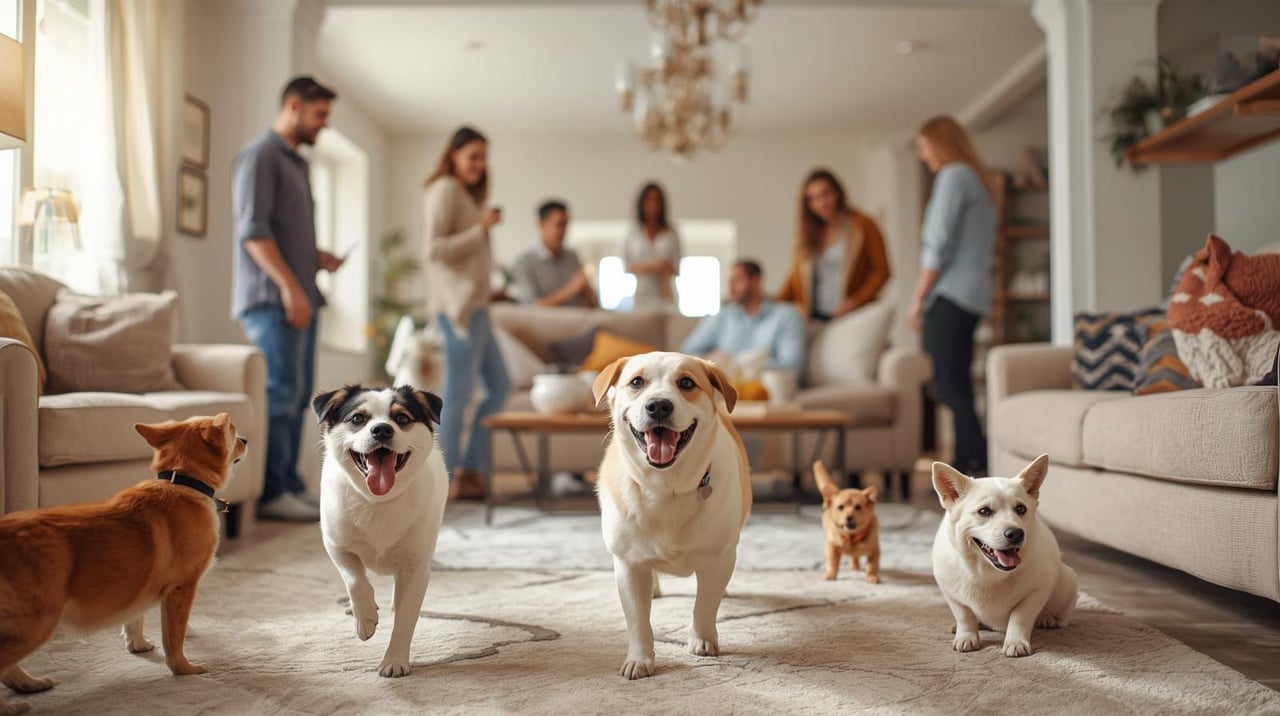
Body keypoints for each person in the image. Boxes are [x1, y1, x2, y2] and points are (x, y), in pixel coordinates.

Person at [232, 76, 343, 522]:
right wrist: (290, 287)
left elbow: (281, 234)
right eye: (320, 115)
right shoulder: (260, 156)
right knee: (279, 395)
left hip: (299, 297)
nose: (324, 124)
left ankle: (290, 484)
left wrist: (315, 258)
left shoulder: (297, 164)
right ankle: (272, 492)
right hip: (274, 300)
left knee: (297, 397)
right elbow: (253, 232)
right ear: (293, 106)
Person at [422, 126, 511, 501]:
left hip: (477, 309)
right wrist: (481, 228)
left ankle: (471, 470)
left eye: (483, 157)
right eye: (473, 156)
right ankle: (440, 481)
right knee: (457, 395)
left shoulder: (465, 197)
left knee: (500, 385)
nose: (479, 164)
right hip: (458, 312)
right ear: (453, 155)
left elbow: (467, 262)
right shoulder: (444, 189)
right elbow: (434, 250)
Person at [907, 115, 997, 477]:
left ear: (939, 143)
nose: (922, 155)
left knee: (948, 383)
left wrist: (917, 298)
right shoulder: (977, 180)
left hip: (951, 294)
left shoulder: (953, 176)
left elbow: (938, 244)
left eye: (924, 146)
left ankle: (976, 459)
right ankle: (971, 459)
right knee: (957, 382)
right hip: (971, 295)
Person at [778, 169, 890, 321]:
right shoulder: (805, 234)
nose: (821, 203)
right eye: (813, 199)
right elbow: (796, 277)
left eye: (826, 194)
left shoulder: (862, 225)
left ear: (838, 192)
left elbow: (881, 271)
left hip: (853, 314)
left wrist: (854, 302)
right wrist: (772, 302)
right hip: (815, 318)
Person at [681, 259, 805, 372]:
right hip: (726, 383)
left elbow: (791, 364)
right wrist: (710, 358)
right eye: (729, 281)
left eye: (737, 280)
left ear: (755, 281)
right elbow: (687, 352)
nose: (730, 287)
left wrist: (737, 362)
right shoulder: (720, 316)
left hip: (766, 384)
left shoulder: (786, 316)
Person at [510, 199, 597, 308]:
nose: (564, 231)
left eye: (566, 224)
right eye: (559, 224)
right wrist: (572, 289)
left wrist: (588, 294)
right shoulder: (523, 263)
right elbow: (532, 307)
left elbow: (590, 305)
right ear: (541, 225)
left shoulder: (572, 257)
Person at [621, 182, 681, 310]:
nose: (653, 205)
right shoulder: (632, 233)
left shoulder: (671, 233)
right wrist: (659, 266)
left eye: (657, 200)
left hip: (666, 295)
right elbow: (628, 267)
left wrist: (644, 267)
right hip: (641, 297)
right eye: (649, 200)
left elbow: (674, 267)